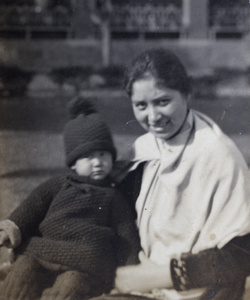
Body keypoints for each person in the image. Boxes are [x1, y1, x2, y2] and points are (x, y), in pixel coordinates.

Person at [93, 48, 250, 300]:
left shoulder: (218, 153)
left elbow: (241, 255)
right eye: (141, 105)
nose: (153, 117)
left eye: (163, 101)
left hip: (202, 291)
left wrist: (159, 276)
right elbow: (117, 218)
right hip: (141, 285)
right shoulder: (142, 149)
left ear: (186, 94)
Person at [0, 97, 140, 300]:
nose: (98, 162)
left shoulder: (113, 196)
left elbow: (127, 235)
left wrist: (131, 269)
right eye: (88, 156)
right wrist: (11, 226)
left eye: (103, 154)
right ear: (73, 163)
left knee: (71, 285)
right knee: (22, 270)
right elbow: (31, 207)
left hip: (84, 261)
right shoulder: (59, 184)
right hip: (44, 250)